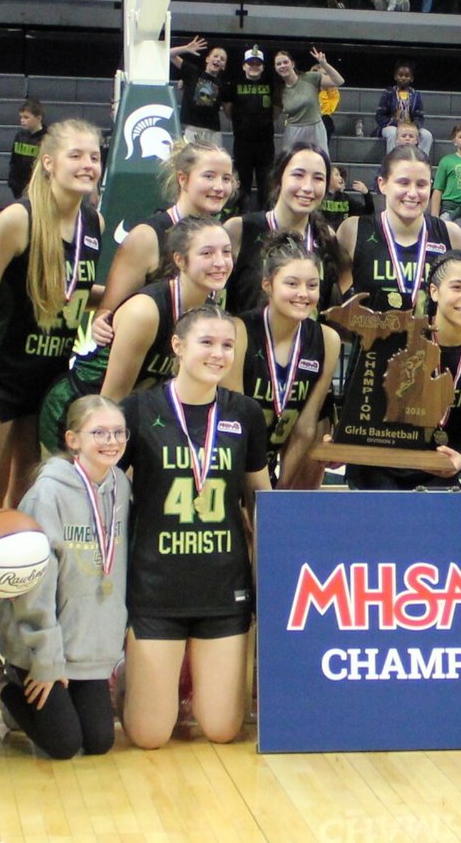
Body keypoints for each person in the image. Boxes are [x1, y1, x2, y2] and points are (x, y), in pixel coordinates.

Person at [117, 303, 270, 749]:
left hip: (223, 587)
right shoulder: (138, 410)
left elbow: (262, 497)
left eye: (227, 345)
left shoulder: (245, 414)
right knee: (148, 736)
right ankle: (136, 674)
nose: (219, 354)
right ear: (178, 346)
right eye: (207, 342)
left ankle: (182, 685)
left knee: (223, 730)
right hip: (155, 586)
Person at [0, 395, 130, 760]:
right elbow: (35, 591)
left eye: (118, 432)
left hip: (87, 647)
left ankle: (29, 701)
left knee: (98, 741)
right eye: (99, 432)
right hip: (40, 644)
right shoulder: (48, 494)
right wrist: (46, 661)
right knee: (63, 744)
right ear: (72, 440)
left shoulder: (120, 488)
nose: (111, 441)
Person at [0, 121, 105, 506]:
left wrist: (126, 301)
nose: (88, 164)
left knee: (32, 495)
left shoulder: (93, 223)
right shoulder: (19, 219)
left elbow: (74, 289)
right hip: (1, 378)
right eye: (77, 155)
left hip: (50, 378)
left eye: (95, 157)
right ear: (48, 162)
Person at [45, 216, 232, 450]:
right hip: (83, 410)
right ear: (180, 261)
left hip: (135, 417)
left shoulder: (209, 309)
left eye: (226, 252)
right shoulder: (145, 312)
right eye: (207, 254)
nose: (220, 262)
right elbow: (113, 397)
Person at [340, 250, 461, 490]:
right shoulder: (396, 337)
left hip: (438, 472)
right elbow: (360, 409)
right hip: (379, 470)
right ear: (434, 291)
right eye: (457, 287)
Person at [226, 233, 341, 488]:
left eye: (312, 285)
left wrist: (280, 493)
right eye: (292, 284)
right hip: (230, 464)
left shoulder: (327, 340)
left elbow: (305, 427)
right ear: (267, 285)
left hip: (277, 468)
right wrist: (257, 494)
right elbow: (234, 423)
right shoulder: (238, 331)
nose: (303, 294)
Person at [95, 141, 234, 321]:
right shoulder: (147, 236)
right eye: (209, 176)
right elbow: (107, 315)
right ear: (183, 178)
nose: (219, 187)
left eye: (226, 178)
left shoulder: (222, 238)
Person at [336, 145, 461, 305]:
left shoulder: (450, 234)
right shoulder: (353, 230)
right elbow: (335, 300)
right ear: (382, 184)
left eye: (421, 184)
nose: (412, 193)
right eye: (403, 183)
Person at [223, 143, 342, 317]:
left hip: (305, 344)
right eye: (298, 175)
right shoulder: (240, 229)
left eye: (318, 178)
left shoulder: (327, 238)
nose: (307, 187)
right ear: (279, 177)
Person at [227, 47, 272, 212]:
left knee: (266, 183)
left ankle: (265, 218)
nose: (254, 66)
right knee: (242, 182)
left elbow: (276, 108)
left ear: (262, 67)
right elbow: (227, 108)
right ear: (244, 66)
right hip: (242, 140)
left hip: (265, 142)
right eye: (250, 63)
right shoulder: (235, 84)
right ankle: (240, 216)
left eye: (257, 64)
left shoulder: (270, 83)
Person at [274, 48, 343, 154]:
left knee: (319, 163)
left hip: (315, 128)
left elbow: (338, 81)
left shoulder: (310, 78)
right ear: (275, 68)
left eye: (285, 62)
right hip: (293, 131)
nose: (282, 66)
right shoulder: (278, 89)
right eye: (278, 64)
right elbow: (274, 114)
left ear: (292, 64)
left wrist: (324, 64)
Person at [170, 36, 231, 146]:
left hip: (213, 132)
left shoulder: (223, 85)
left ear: (224, 66)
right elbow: (169, 54)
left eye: (222, 59)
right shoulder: (193, 72)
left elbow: (228, 112)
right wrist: (186, 48)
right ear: (207, 59)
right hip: (192, 130)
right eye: (215, 56)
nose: (218, 59)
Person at [8, 98, 47, 201]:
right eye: (21, 117)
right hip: (19, 186)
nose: (22, 120)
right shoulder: (19, 136)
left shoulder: (48, 138)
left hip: (39, 186)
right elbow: (14, 161)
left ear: (38, 118)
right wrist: (12, 182)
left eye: (26, 117)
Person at [375, 62, 425, 132]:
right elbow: (380, 116)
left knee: (426, 135)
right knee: (392, 132)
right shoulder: (389, 93)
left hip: (410, 126)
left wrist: (412, 126)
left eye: (407, 76)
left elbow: (419, 116)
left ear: (412, 78)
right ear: (395, 77)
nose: (403, 78)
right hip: (391, 126)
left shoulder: (415, 95)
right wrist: (395, 123)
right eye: (400, 75)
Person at [321, 165, 374, 229]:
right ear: (328, 178)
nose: (341, 178)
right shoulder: (319, 197)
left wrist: (366, 193)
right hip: (322, 234)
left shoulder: (346, 199)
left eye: (340, 175)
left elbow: (368, 211)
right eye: (337, 175)